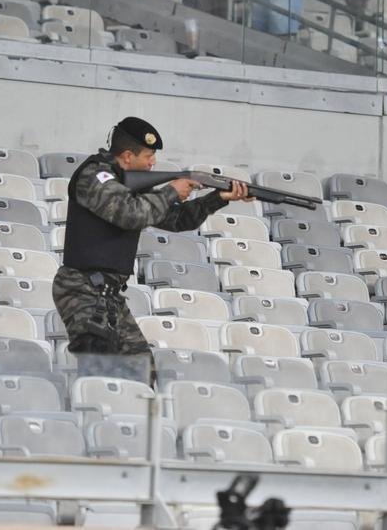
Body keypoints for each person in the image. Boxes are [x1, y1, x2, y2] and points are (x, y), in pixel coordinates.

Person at [54, 117, 251, 380]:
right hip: (81, 288)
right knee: (100, 373)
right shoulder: (95, 175)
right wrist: (171, 190)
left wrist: (218, 199)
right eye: (148, 155)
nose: (152, 162)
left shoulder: (127, 183)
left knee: (142, 376)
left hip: (107, 295)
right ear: (127, 155)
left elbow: (178, 219)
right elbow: (130, 214)